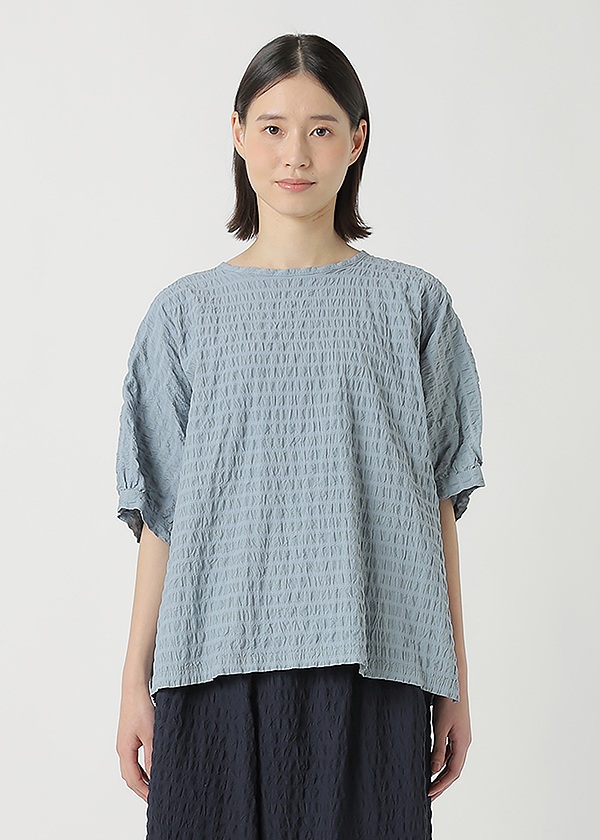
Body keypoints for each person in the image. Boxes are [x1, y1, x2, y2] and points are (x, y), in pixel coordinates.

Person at [115, 32, 485, 840]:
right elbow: (162, 516)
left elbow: (438, 505)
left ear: (357, 139)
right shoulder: (183, 315)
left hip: (376, 660)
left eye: (321, 129)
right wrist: (134, 680)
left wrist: (453, 679)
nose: (296, 154)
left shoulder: (414, 306)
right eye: (273, 127)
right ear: (238, 134)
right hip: (211, 663)